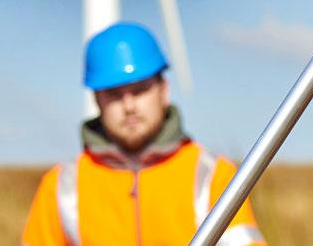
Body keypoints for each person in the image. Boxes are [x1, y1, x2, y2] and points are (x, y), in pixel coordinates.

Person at [21, 22, 265, 246]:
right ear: (97, 99)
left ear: (164, 90)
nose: (129, 106)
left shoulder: (213, 175)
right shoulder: (61, 186)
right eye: (114, 94)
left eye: (139, 90)